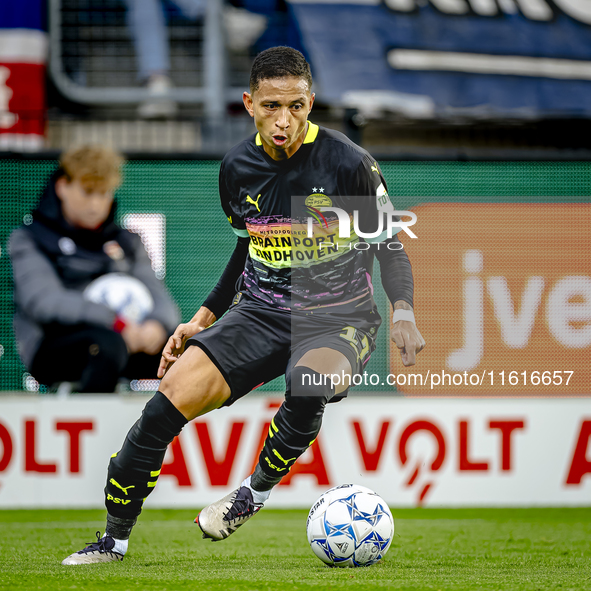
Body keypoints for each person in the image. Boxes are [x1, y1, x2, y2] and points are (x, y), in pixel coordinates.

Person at [61, 47, 425, 564]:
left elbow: (389, 245)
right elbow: (245, 248)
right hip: (261, 311)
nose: (286, 121)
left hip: (339, 318)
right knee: (165, 402)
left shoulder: (348, 163)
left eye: (297, 106)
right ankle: (113, 542)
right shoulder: (237, 168)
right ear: (250, 104)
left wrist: (403, 312)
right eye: (272, 106)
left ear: (311, 101)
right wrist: (202, 318)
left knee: (308, 383)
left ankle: (250, 494)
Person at [9, 145, 180, 394]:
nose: (96, 203)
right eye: (88, 192)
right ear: (62, 187)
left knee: (186, 349)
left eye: (103, 193)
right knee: (105, 346)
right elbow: (44, 302)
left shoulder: (127, 242)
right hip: (53, 346)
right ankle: (95, 427)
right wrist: (115, 323)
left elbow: (159, 295)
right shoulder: (30, 238)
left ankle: (176, 427)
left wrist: (156, 325)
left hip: (128, 337)